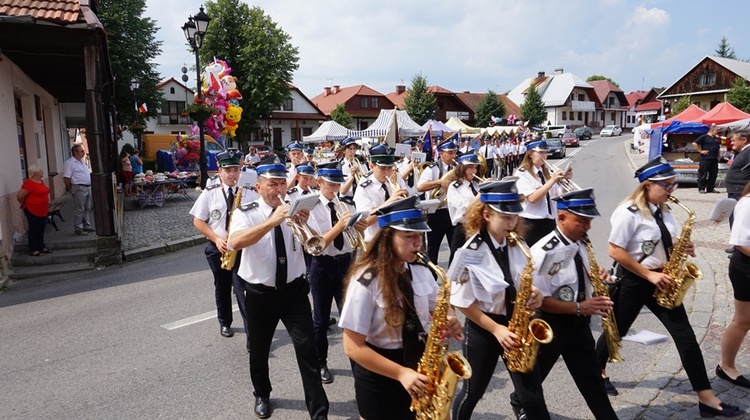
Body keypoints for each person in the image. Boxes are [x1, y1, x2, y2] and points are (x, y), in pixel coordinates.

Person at [595, 156, 744, 418]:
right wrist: (649, 276)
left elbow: (665, 243)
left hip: (664, 280)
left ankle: (706, 399)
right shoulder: (627, 212)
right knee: (615, 332)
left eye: (673, 185)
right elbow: (615, 251)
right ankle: (597, 371)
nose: (671, 190)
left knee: (686, 338)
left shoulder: (664, 210)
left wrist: (683, 248)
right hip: (634, 280)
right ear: (647, 185)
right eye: (666, 185)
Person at [338, 195, 464, 420]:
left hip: (420, 364)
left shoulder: (421, 269)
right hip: (382, 374)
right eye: (409, 236)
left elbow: (439, 306)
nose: (418, 243)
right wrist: (401, 373)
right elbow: (352, 347)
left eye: (420, 235)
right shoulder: (366, 281)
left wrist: (451, 316)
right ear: (387, 237)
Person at [228, 155, 329, 420]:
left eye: (282, 183)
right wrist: (271, 221)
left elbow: (314, 244)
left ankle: (319, 412)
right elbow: (235, 241)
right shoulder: (246, 213)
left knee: (308, 350)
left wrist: (304, 223)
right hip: (261, 294)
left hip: (294, 291)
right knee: (259, 349)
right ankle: (262, 393)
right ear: (259, 187)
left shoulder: (294, 208)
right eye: (272, 184)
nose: (279, 190)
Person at [449, 180, 549, 420]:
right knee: (473, 392)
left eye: (514, 216)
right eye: (505, 217)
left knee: (532, 395)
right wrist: (496, 330)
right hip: (485, 328)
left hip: (517, 325)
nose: (512, 222)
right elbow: (462, 302)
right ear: (486, 214)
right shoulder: (469, 252)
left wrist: (536, 294)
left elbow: (527, 282)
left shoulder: (519, 244)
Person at [514, 188, 618, 419]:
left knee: (592, 383)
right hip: (551, 326)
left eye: (589, 221)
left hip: (578, 324)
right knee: (531, 381)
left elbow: (574, 275)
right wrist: (582, 307)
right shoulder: (544, 252)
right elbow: (542, 301)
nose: (587, 227)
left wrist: (595, 275)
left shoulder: (580, 241)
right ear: (561, 218)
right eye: (581, 221)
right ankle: (519, 403)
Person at [305, 161, 368, 385]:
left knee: (350, 318)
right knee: (320, 321)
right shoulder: (310, 207)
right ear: (319, 182)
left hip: (345, 264)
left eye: (337, 184)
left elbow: (353, 236)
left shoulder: (345, 204)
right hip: (322, 266)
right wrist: (340, 226)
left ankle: (358, 363)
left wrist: (357, 225)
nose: (335, 189)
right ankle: (321, 362)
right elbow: (316, 245)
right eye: (331, 184)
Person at [189, 149, 248, 338]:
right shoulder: (210, 193)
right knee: (222, 287)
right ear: (219, 171)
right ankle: (225, 323)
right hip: (218, 248)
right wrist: (216, 238)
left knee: (243, 289)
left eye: (235, 170)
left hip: (241, 248)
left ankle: (251, 331)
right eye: (228, 170)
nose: (232, 174)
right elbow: (198, 221)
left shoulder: (247, 192)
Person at [717, 180, 750, 389]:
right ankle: (726, 366)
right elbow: (740, 242)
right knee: (743, 321)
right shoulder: (747, 203)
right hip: (746, 268)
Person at [514, 140, 569, 246]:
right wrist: (552, 181)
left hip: (549, 221)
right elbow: (532, 198)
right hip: (531, 223)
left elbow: (558, 195)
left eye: (545, 152)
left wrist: (564, 181)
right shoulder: (522, 174)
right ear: (530, 154)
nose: (544, 155)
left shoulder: (545, 173)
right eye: (541, 153)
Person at [354, 145, 410, 242]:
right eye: (382, 168)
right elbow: (366, 221)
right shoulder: (364, 187)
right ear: (372, 166)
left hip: (396, 237)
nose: (387, 172)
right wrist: (390, 202)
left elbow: (405, 197)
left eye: (389, 168)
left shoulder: (395, 176)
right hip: (375, 241)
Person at [417, 140, 458, 264]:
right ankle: (432, 278)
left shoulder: (456, 168)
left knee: (455, 249)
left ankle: (452, 279)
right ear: (441, 154)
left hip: (452, 212)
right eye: (450, 153)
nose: (453, 156)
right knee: (433, 249)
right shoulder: (432, 169)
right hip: (436, 213)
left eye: (454, 153)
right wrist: (439, 182)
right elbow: (420, 187)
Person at [446, 153, 482, 263]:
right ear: (462, 168)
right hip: (462, 229)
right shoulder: (454, 187)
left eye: (476, 167)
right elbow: (466, 211)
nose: (474, 171)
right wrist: (481, 194)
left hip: (478, 227)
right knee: (457, 263)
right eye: (470, 167)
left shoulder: (476, 185)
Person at [17, 165, 51, 256]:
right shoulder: (29, 183)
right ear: (35, 173)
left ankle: (41, 246)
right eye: (41, 171)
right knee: (34, 229)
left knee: (41, 228)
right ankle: (33, 249)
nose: (42, 172)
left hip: (42, 210)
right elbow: (20, 196)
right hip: (32, 209)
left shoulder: (40, 181)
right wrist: (24, 203)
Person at [63, 144, 94, 236]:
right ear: (75, 152)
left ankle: (86, 225)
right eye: (82, 151)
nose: (84, 153)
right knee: (79, 208)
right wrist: (70, 189)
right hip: (79, 187)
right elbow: (66, 178)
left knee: (87, 207)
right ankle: (78, 228)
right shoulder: (70, 163)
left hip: (87, 187)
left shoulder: (82, 161)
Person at [725, 132, 750, 228]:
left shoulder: (748, 152)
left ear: (743, 140)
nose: (731, 143)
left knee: (739, 221)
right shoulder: (743, 152)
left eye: (734, 140)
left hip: (740, 191)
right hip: (736, 190)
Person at [692, 124, 721, 193]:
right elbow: (694, 143)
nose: (717, 132)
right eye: (716, 130)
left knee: (713, 174)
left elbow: (718, 147)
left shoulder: (715, 139)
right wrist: (700, 151)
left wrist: (719, 155)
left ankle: (710, 188)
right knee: (703, 174)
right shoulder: (704, 137)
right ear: (712, 130)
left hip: (714, 159)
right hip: (706, 158)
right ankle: (701, 188)